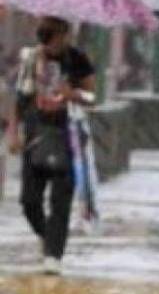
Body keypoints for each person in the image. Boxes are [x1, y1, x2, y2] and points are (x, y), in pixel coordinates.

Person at [5, 17, 96, 275]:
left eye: (61, 38)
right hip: (36, 135)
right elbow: (19, 98)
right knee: (29, 201)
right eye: (52, 40)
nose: (57, 44)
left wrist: (72, 94)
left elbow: (92, 96)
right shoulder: (31, 59)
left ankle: (54, 256)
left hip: (67, 136)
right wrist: (13, 132)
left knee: (61, 201)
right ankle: (47, 236)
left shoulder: (78, 59)